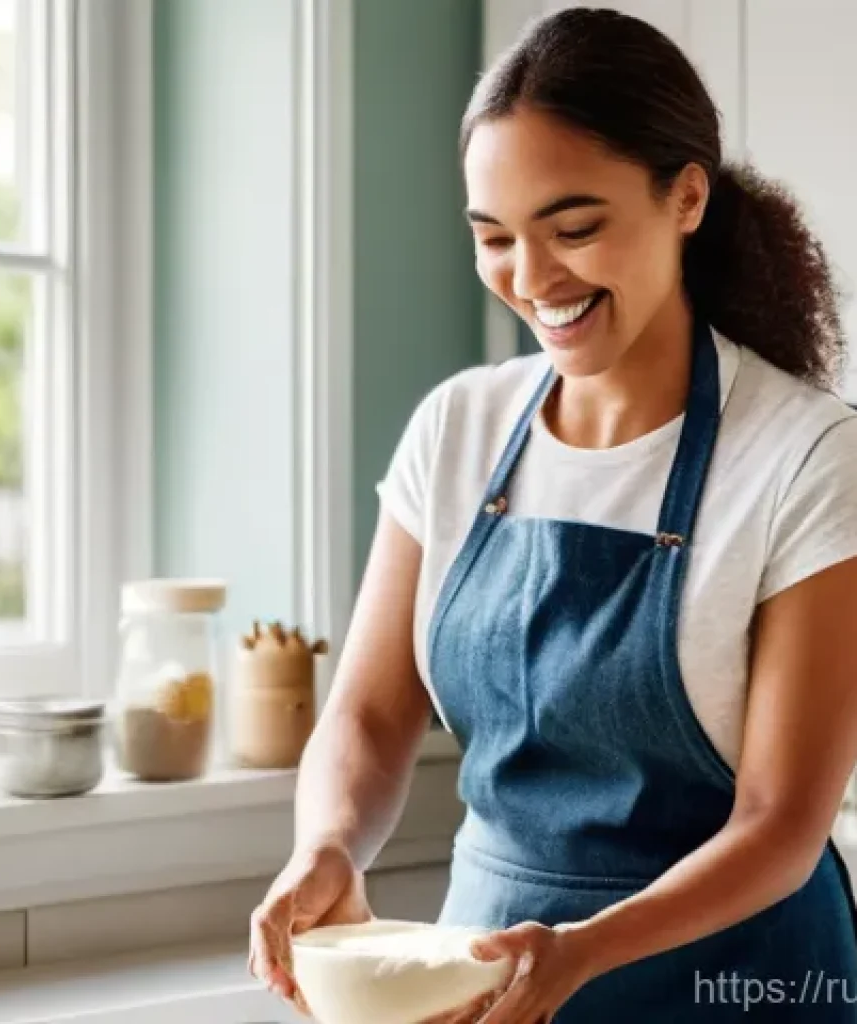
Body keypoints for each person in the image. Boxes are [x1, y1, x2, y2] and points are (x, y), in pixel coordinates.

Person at [249, 8, 857, 1021]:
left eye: (575, 229)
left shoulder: (805, 455)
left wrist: (581, 951)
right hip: (484, 977)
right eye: (494, 238)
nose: (532, 281)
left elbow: (779, 824)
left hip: (739, 982)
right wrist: (328, 844)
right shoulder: (457, 427)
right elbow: (368, 713)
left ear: (687, 197)